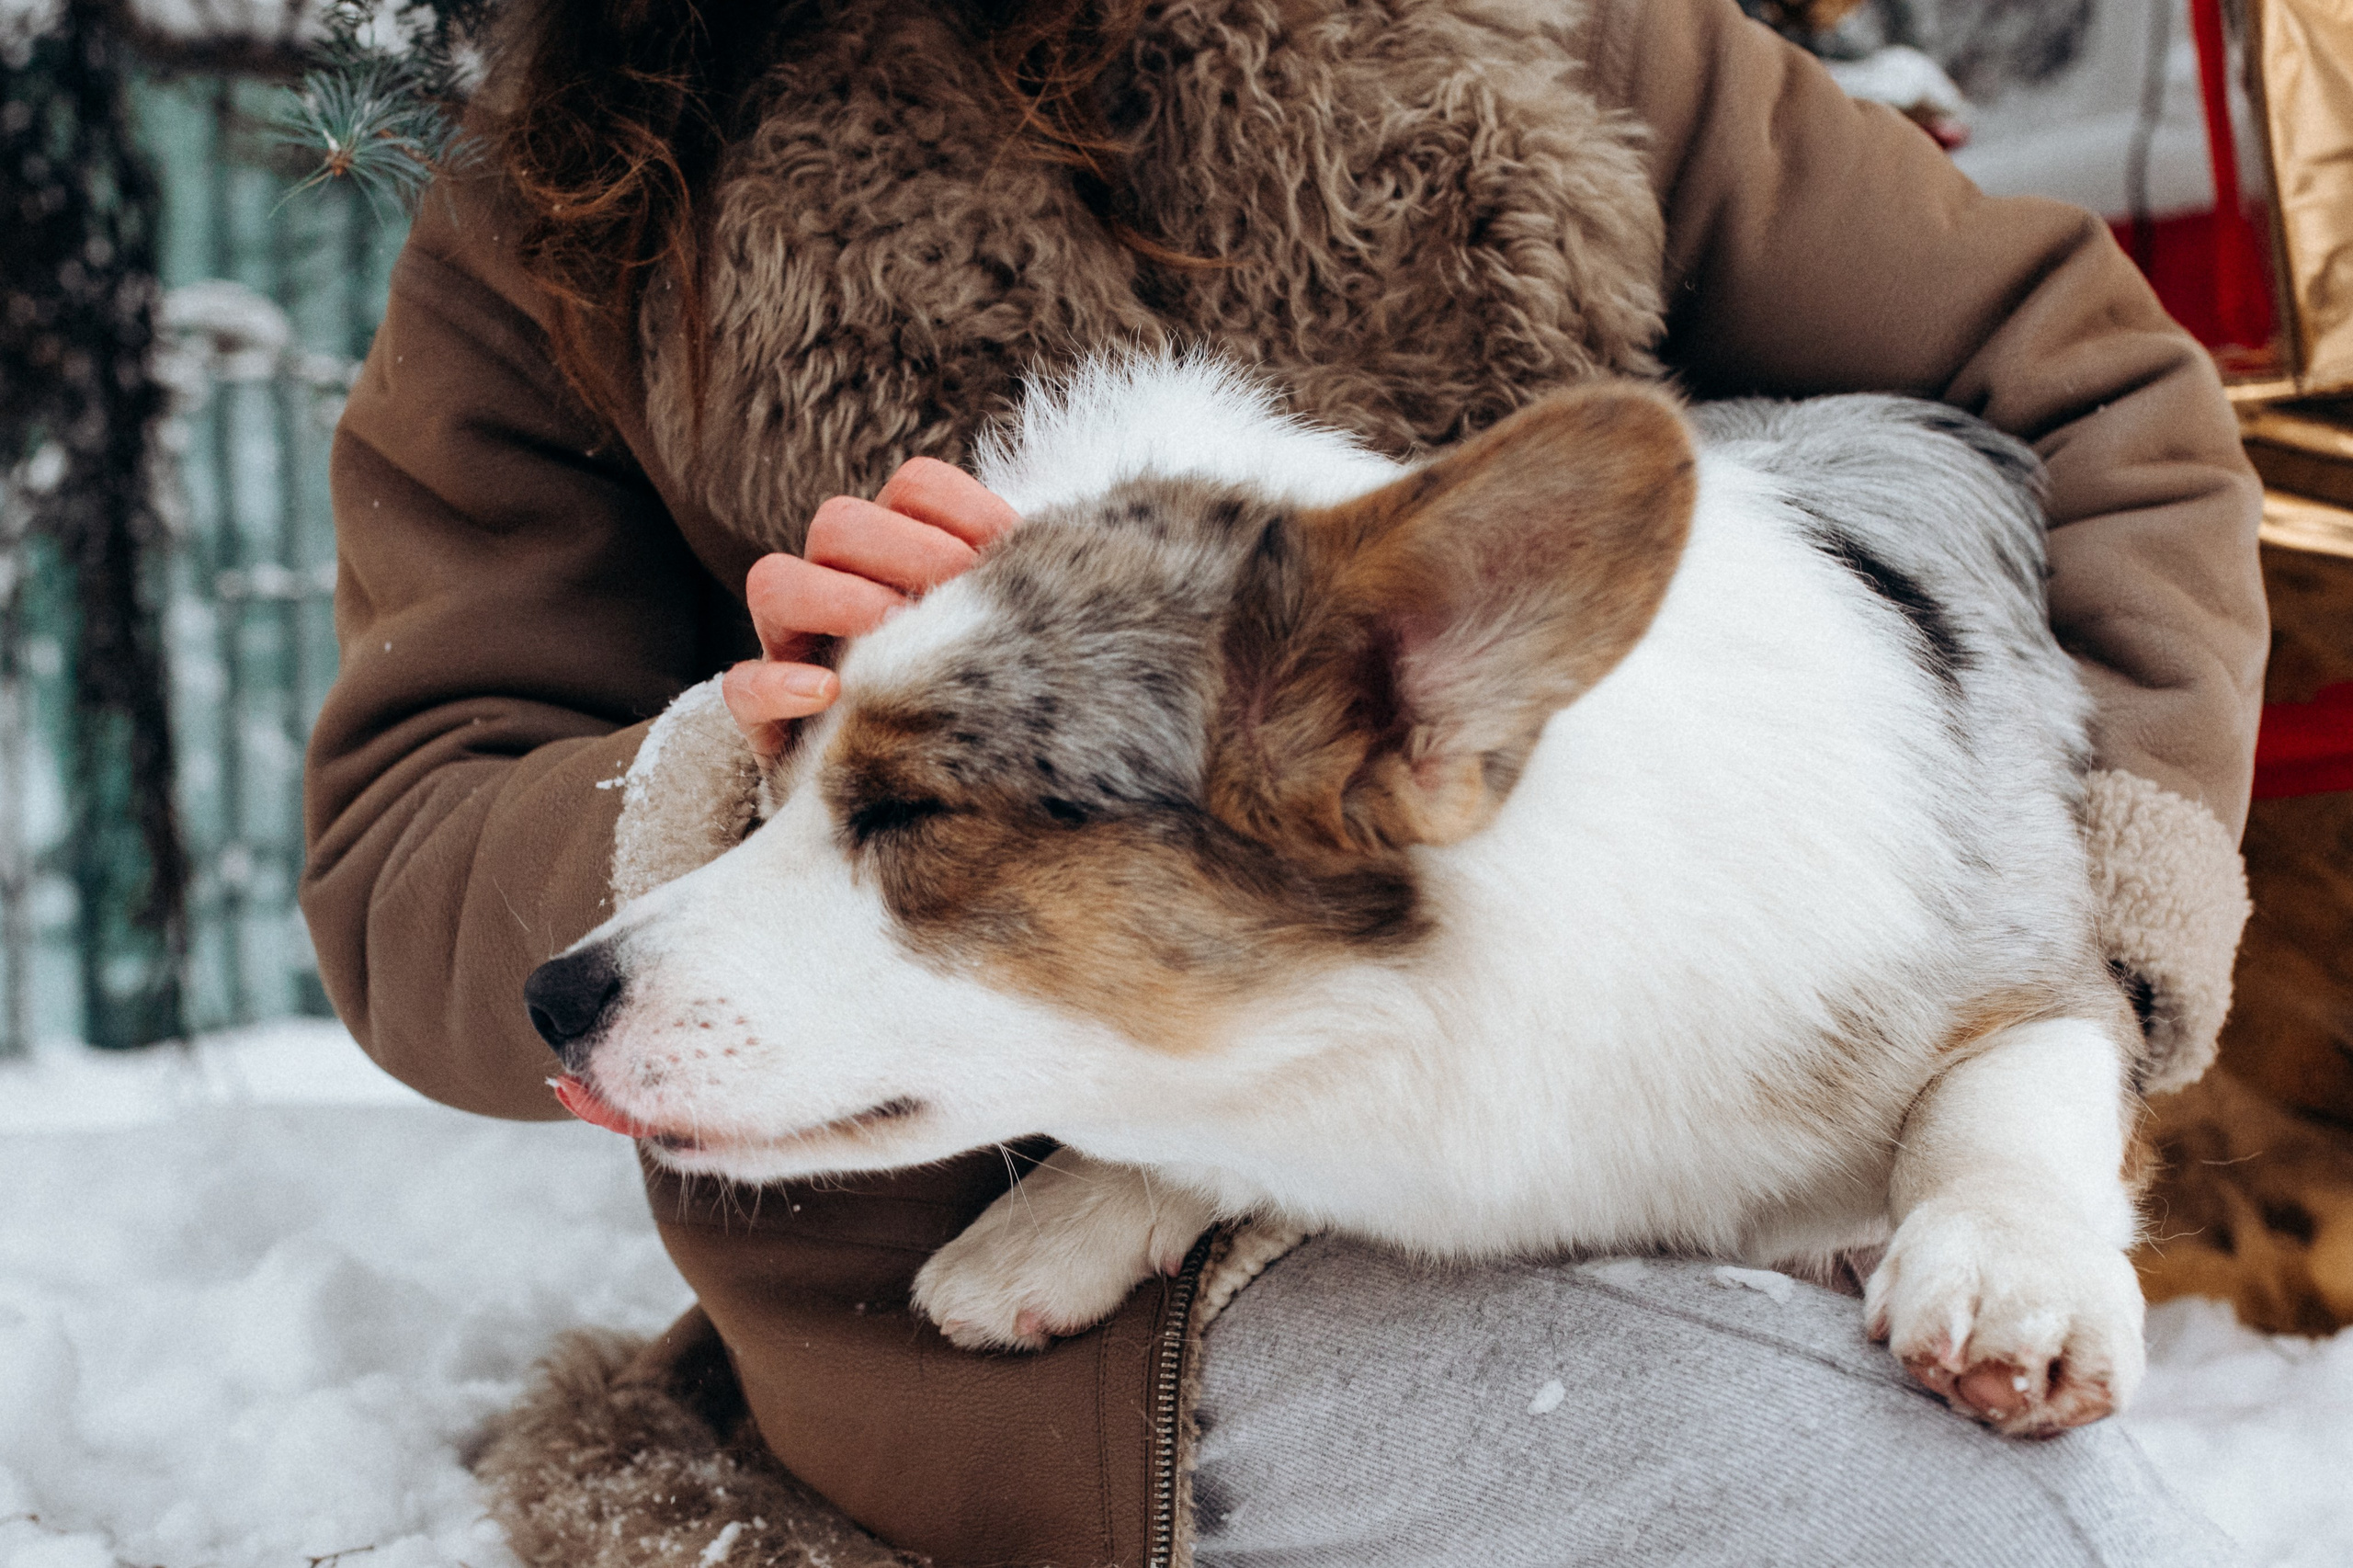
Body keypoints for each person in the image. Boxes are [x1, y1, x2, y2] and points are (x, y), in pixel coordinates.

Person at [301, 0, 2265, 1562]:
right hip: (1019, 1289)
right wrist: (744, 771)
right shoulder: (569, 197)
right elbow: (405, 837)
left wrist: (2121, 879)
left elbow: (2086, 394)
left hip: (1583, 1047)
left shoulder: (1550, 26)